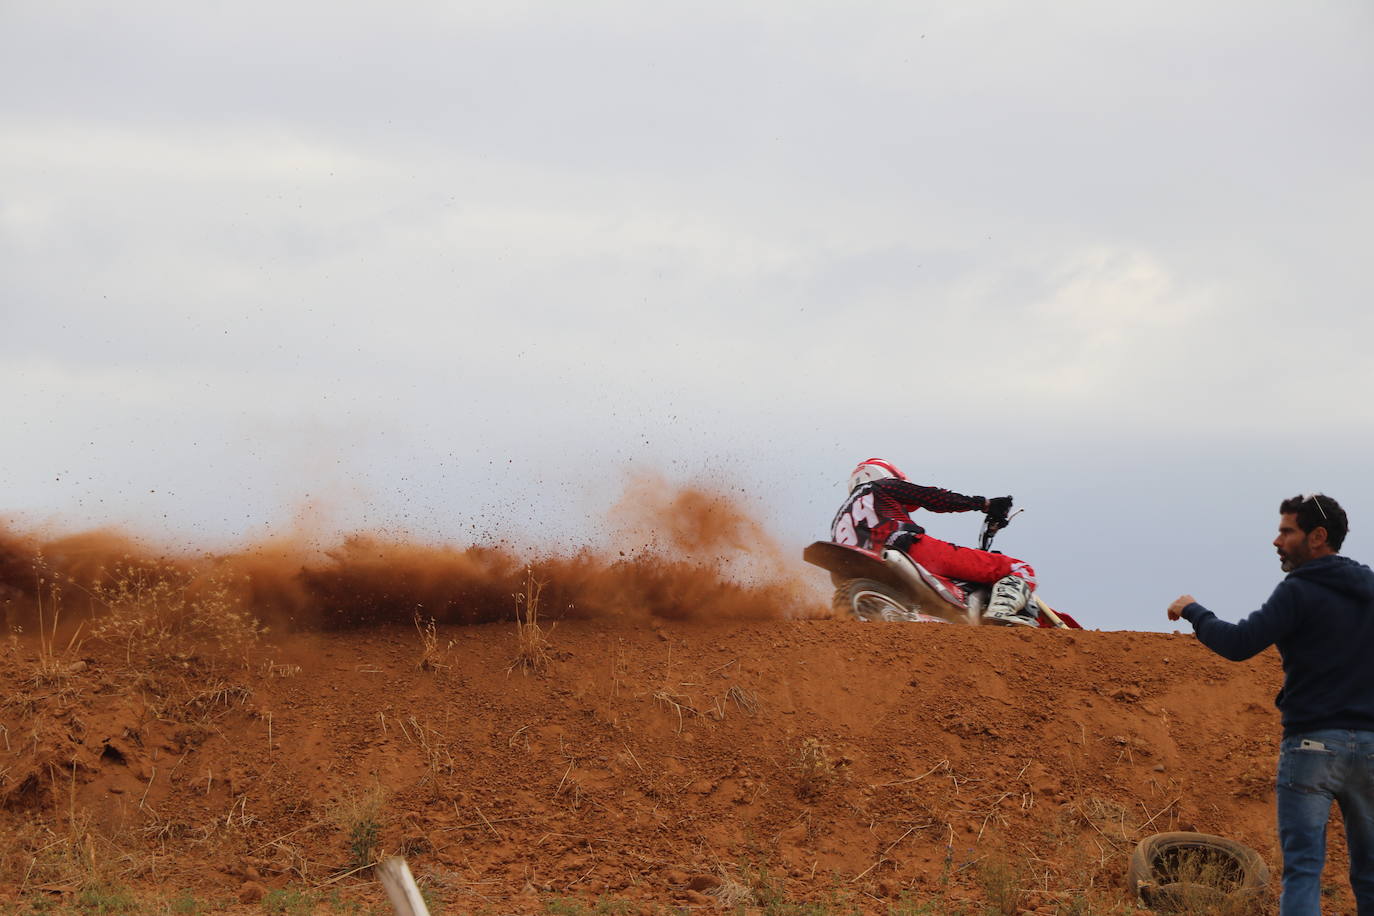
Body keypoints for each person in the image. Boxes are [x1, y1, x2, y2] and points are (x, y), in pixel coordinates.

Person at [1167, 493, 1374, 915]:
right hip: (1371, 746)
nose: (1276, 541)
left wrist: (1194, 610)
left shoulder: (1299, 590)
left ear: (1317, 537)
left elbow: (1240, 643)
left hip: (1312, 745)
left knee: (1302, 870)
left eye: (1286, 531)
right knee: (1371, 872)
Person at [831, 458, 1037, 625]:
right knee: (1019, 568)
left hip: (862, 571)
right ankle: (1000, 614)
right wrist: (984, 504)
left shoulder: (839, 518)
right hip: (907, 547)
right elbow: (932, 497)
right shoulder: (879, 486)